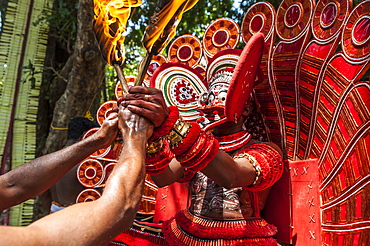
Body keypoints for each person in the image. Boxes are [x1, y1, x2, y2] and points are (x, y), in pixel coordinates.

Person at [118, 33, 284, 245]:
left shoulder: (265, 150)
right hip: (187, 231)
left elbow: (231, 175)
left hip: (241, 239)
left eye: (220, 99)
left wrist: (171, 123)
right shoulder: (200, 143)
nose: (210, 107)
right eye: (208, 99)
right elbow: (164, 178)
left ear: (246, 108)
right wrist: (151, 135)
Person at [0, 105, 154, 245]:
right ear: (84, 134)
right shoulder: (90, 167)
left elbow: (11, 186)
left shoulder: (66, 162)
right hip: (84, 219)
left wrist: (98, 140)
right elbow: (121, 211)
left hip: (59, 213)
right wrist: (135, 136)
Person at [40, 117, 100, 213]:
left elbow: (44, 196)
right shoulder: (87, 165)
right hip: (76, 218)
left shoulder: (50, 159)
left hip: (53, 216)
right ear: (85, 135)